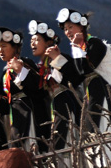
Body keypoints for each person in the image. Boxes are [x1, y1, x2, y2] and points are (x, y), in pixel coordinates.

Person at [54, 7, 111, 133]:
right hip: (89, 98)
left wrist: (77, 48)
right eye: (65, 29)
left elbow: (85, 70)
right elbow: (75, 78)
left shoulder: (96, 44)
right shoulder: (79, 49)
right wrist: (57, 59)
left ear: (81, 26)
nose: (67, 32)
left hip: (104, 96)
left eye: (70, 27)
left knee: (106, 133)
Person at [0, 26, 49, 151]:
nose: (0, 50)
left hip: (30, 116)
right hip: (16, 121)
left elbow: (38, 87)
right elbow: (8, 103)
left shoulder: (25, 63)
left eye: (4, 46)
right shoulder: (5, 73)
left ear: (15, 47)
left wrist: (20, 70)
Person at [28, 20, 80, 150]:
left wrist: (57, 59)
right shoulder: (42, 67)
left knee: (65, 138)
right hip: (54, 106)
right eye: (31, 40)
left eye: (37, 40)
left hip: (66, 104)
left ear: (49, 42)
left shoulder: (62, 57)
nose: (32, 43)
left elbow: (75, 77)